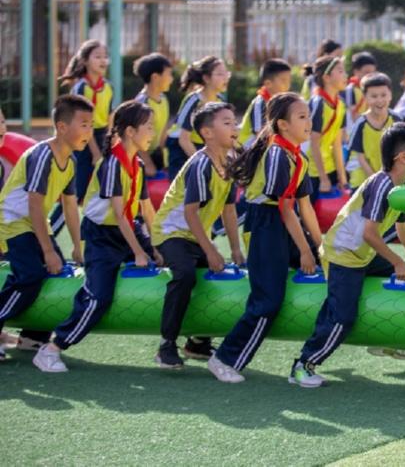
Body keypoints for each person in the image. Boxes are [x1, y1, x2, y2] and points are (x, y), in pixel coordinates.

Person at [289, 123, 405, 387]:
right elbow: (369, 233)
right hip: (343, 254)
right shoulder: (382, 185)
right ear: (403, 157)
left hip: (364, 254)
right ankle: (303, 365)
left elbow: (403, 227)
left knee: (404, 281)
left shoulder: (404, 184)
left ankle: (386, 340)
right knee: (342, 316)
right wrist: (398, 261)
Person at [34, 100, 162, 373]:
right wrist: (139, 252)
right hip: (102, 236)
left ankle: (177, 344)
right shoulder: (112, 163)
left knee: (173, 263)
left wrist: (156, 245)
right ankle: (52, 348)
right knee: (98, 296)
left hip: (129, 229)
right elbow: (119, 214)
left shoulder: (137, 163)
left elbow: (146, 208)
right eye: (149, 127)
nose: (153, 132)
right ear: (130, 131)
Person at [208, 93, 323, 383]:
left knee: (333, 262)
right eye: (301, 117)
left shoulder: (298, 155)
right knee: (268, 300)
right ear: (283, 125)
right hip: (264, 226)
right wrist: (305, 251)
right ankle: (224, 358)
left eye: (309, 115)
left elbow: (305, 207)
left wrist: (321, 246)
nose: (309, 121)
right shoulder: (276, 155)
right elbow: (285, 208)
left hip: (283, 223)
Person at [151, 102, 244, 369]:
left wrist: (235, 249)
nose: (235, 127)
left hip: (194, 235)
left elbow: (228, 209)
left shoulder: (228, 163)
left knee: (215, 277)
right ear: (207, 133)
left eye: (234, 122)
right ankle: (166, 344)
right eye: (226, 123)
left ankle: (198, 342)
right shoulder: (201, 165)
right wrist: (211, 250)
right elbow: (190, 213)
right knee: (185, 275)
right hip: (171, 233)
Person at [0, 95, 93, 362]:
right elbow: (34, 204)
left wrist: (78, 246)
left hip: (36, 222)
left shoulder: (71, 161)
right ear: (62, 127)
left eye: (91, 125)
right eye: (84, 125)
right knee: (30, 275)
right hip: (11, 221)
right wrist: (48, 251)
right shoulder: (42, 156)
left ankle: (33, 336)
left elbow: (70, 206)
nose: (89, 132)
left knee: (58, 273)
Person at [50, 41, 112, 235]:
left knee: (104, 194)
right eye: (97, 56)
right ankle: (48, 235)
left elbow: (109, 118)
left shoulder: (108, 87)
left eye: (105, 56)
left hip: (100, 138)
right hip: (82, 141)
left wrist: (109, 145)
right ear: (85, 61)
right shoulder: (81, 88)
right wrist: (95, 152)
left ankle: (96, 239)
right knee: (74, 194)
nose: (103, 60)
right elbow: (83, 124)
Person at [166, 56, 230, 179]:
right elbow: (183, 139)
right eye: (220, 74)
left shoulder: (221, 101)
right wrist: (202, 163)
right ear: (206, 78)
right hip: (180, 148)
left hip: (201, 146)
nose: (225, 77)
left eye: (226, 73)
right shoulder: (194, 100)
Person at [346, 73, 404, 188]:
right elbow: (360, 157)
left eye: (383, 95)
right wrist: (375, 180)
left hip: (390, 177)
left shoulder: (397, 120)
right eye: (374, 96)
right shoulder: (360, 124)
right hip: (364, 179)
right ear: (365, 98)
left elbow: (402, 151)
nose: (379, 100)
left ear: (390, 95)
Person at [304, 54, 349, 201]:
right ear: (327, 77)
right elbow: (313, 143)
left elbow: (337, 143)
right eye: (340, 71)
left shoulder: (341, 104)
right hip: (312, 171)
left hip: (329, 167)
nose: (346, 75)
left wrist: (342, 176)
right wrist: (323, 178)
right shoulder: (318, 103)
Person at [133, 53, 174, 175]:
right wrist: (148, 164)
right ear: (155, 77)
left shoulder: (164, 100)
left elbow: (163, 134)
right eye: (169, 74)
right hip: (140, 158)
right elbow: (135, 138)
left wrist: (164, 161)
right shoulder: (142, 103)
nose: (172, 79)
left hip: (155, 156)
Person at [238, 59, 293, 148]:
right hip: (248, 148)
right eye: (283, 80)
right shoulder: (260, 103)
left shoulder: (280, 102)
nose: (288, 84)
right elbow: (261, 134)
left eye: (289, 80)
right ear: (268, 84)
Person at [342, 51, 377, 133]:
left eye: (373, 72)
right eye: (367, 72)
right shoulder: (350, 90)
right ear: (356, 72)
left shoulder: (375, 89)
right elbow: (352, 115)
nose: (370, 75)